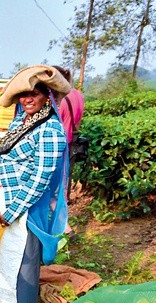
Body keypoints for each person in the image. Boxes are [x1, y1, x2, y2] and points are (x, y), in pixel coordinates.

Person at [0, 65, 70, 303]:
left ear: (47, 95)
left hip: (25, 203)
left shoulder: (50, 130)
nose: (27, 99)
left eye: (35, 94)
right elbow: (2, 158)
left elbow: (41, 177)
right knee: (1, 251)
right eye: (23, 95)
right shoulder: (21, 121)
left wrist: (15, 208)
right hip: (2, 196)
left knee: (21, 253)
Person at [53, 65, 85, 237]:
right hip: (70, 144)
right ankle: (63, 225)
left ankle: (63, 227)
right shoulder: (78, 95)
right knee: (63, 185)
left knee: (51, 190)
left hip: (56, 146)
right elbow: (77, 122)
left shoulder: (58, 97)